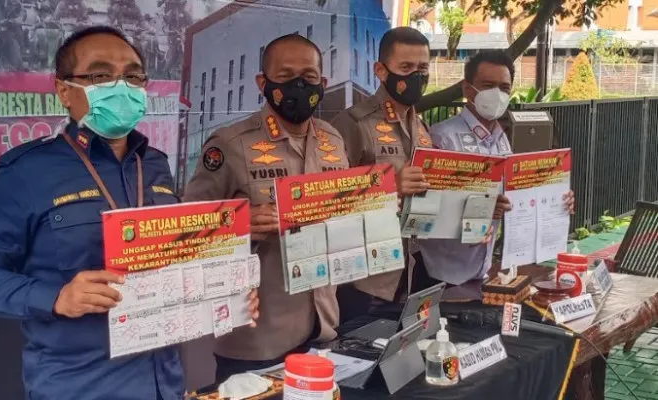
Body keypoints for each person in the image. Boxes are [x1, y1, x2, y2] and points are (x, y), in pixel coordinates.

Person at [0, 26, 259, 400]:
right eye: (100, 75)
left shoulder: (156, 165)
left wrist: (222, 292)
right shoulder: (27, 172)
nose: (121, 86)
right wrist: (56, 297)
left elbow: (176, 260)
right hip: (81, 387)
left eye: (132, 75)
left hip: (165, 381)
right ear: (64, 90)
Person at [183, 33, 348, 381]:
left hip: (322, 323)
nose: (299, 85)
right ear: (263, 82)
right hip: (257, 337)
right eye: (285, 77)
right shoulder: (230, 145)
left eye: (309, 76)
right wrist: (237, 224)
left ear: (323, 82)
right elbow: (186, 228)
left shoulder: (333, 140)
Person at [419, 50, 575, 290]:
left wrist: (556, 201)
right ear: (468, 90)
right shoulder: (443, 138)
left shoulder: (503, 139)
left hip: (485, 269)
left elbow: (516, 197)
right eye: (488, 85)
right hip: (444, 273)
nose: (498, 94)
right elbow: (425, 211)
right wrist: (483, 208)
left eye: (504, 87)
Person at [331, 27, 433, 323]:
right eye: (406, 68)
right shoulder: (353, 123)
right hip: (365, 280)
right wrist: (390, 187)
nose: (416, 76)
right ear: (381, 70)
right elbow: (328, 197)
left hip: (413, 269)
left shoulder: (422, 127)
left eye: (422, 68)